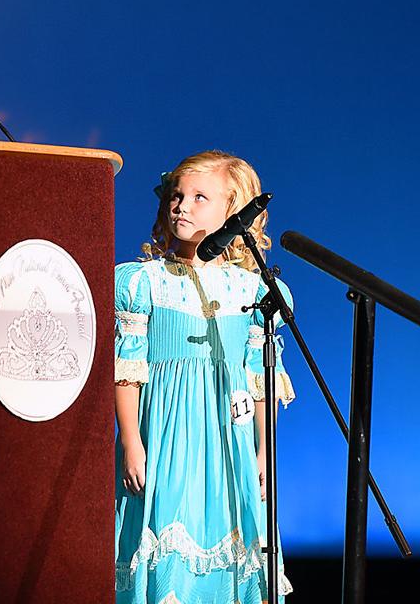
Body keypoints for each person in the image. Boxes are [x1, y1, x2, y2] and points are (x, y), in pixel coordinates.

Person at [114, 149, 295, 604]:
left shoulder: (253, 291)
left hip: (228, 443)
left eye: (199, 197)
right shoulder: (145, 282)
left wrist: (264, 451)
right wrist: (132, 442)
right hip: (167, 440)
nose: (182, 206)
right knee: (168, 544)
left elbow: (259, 379)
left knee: (232, 540)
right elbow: (127, 371)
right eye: (177, 196)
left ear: (233, 212)